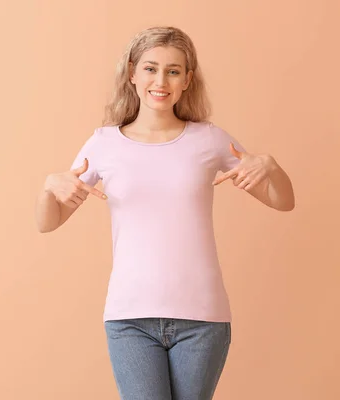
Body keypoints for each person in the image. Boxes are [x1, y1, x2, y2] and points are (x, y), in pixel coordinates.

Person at [35, 26, 295, 400]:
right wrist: (48, 187)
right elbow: (48, 223)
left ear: (188, 80)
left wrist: (270, 166)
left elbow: (282, 201)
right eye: (150, 68)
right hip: (130, 318)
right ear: (132, 74)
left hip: (203, 318)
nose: (161, 80)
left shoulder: (209, 139)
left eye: (173, 71)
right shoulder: (103, 144)